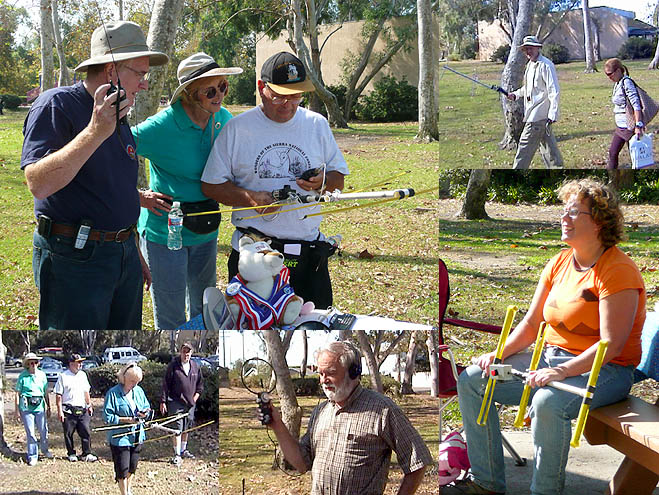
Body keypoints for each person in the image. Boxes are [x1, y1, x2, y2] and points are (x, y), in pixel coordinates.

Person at [445, 178, 646, 495]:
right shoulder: (559, 262)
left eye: (574, 212)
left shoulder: (618, 270)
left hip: (606, 371)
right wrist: (498, 355)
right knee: (473, 380)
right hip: (549, 360)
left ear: (599, 222)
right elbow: (530, 323)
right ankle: (487, 484)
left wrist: (561, 371)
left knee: (548, 401)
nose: (563, 219)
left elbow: (612, 345)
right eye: (563, 211)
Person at [20, 21, 168, 329]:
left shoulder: (119, 113)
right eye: (140, 74)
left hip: (122, 254)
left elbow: (105, 182)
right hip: (75, 259)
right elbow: (38, 183)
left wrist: (130, 250)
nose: (144, 84)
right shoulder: (57, 105)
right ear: (112, 71)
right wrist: (95, 131)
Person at [201, 51, 350, 310]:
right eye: (280, 95)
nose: (288, 104)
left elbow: (338, 178)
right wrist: (248, 198)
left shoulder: (317, 125)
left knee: (314, 321)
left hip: (309, 253)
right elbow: (211, 184)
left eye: (296, 96)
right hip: (255, 255)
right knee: (252, 323)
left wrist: (323, 183)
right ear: (262, 88)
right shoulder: (237, 129)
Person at [132, 52, 243, 330]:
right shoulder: (162, 126)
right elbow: (109, 150)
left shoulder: (223, 120)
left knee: (203, 305)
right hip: (165, 230)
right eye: (210, 90)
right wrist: (137, 197)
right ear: (189, 94)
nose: (219, 95)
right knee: (170, 313)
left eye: (223, 87)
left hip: (205, 226)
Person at [259, 341, 433, 495]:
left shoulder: (383, 409)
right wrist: (277, 425)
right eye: (320, 373)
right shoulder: (320, 411)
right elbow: (301, 463)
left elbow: (417, 461)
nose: (323, 380)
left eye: (331, 373)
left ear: (354, 372)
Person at [506, 35, 563, 170]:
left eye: (530, 48)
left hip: (539, 115)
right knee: (550, 151)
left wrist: (553, 114)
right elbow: (529, 88)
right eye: (525, 50)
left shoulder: (546, 65)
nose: (528, 52)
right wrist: (516, 94)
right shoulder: (530, 66)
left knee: (524, 149)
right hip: (533, 114)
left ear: (538, 48)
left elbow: (553, 90)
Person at [103, 363, 151, 495]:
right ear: (124, 378)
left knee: (132, 467)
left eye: (137, 382)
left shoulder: (139, 391)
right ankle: (124, 493)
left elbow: (147, 406)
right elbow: (107, 416)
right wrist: (126, 420)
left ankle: (128, 490)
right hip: (120, 438)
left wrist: (144, 413)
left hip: (137, 435)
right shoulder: (113, 393)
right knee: (122, 469)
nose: (134, 384)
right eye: (132, 381)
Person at [160, 341, 203, 466]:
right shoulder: (173, 366)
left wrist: (194, 399)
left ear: (191, 353)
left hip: (190, 404)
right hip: (175, 402)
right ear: (180, 352)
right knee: (176, 429)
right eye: (184, 351)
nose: (186, 354)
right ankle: (177, 454)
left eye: (188, 352)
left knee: (186, 428)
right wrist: (163, 401)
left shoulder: (195, 366)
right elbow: (165, 385)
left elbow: (200, 386)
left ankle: (183, 450)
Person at [54, 353, 97, 462]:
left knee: (85, 431)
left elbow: (86, 392)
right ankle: (71, 453)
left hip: (82, 409)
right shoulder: (63, 376)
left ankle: (86, 453)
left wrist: (89, 405)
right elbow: (58, 396)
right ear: (71, 363)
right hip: (68, 410)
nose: (80, 364)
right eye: (78, 362)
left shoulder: (83, 375)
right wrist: (60, 412)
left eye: (81, 362)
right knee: (69, 433)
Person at [604, 58, 645, 170]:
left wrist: (638, 125)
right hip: (620, 127)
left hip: (629, 127)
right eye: (606, 74)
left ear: (617, 71)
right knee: (613, 153)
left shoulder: (626, 83)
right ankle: (612, 178)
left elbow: (636, 105)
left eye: (609, 74)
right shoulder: (618, 83)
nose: (609, 77)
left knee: (635, 157)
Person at [15, 353, 53, 466]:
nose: (34, 365)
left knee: (43, 430)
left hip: (40, 407)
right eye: (31, 363)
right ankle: (32, 456)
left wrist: (49, 407)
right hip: (26, 407)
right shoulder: (22, 376)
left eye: (36, 362)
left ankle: (45, 450)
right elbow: (17, 393)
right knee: (31, 433)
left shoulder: (42, 375)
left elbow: (45, 392)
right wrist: (16, 411)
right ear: (27, 364)